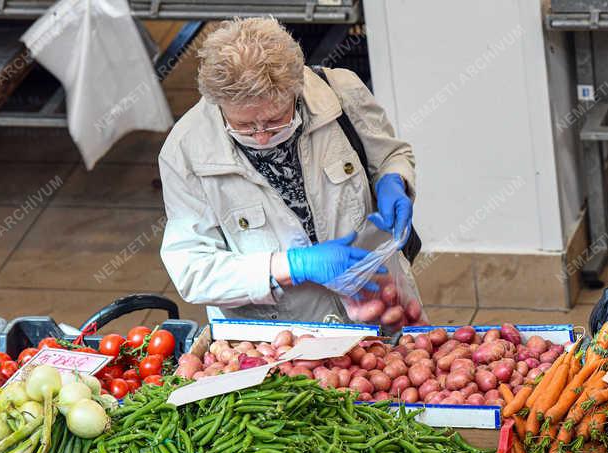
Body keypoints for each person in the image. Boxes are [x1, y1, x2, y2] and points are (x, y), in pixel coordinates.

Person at [159, 18, 416, 322]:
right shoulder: (185, 150)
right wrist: (290, 266)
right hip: (282, 337)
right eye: (243, 125)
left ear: (297, 88)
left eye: (274, 119)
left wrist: (394, 179)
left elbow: (391, 154)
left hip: (381, 301)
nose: (261, 135)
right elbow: (192, 270)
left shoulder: (341, 92)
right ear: (218, 103)